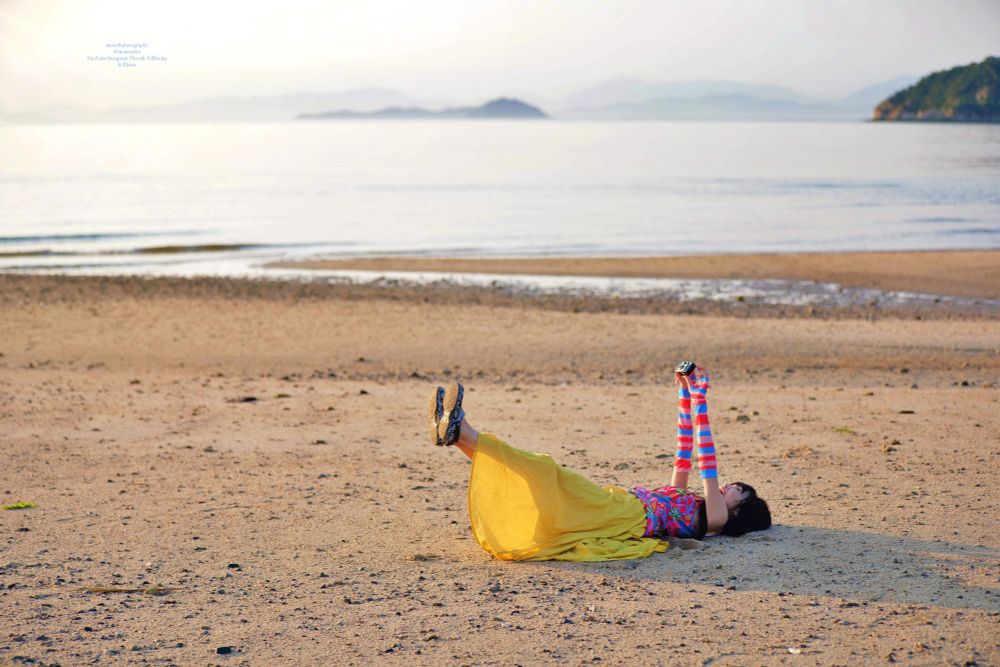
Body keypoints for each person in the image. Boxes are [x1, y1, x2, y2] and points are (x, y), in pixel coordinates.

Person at [427, 364, 771, 562]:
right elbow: (684, 451)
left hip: (621, 516)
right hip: (615, 503)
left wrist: (701, 397)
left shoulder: (714, 520)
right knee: (541, 477)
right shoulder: (687, 500)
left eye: (736, 490)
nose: (726, 486)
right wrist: (685, 391)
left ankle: (461, 432)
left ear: (739, 511)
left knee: (544, 472)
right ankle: (458, 435)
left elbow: (706, 460)